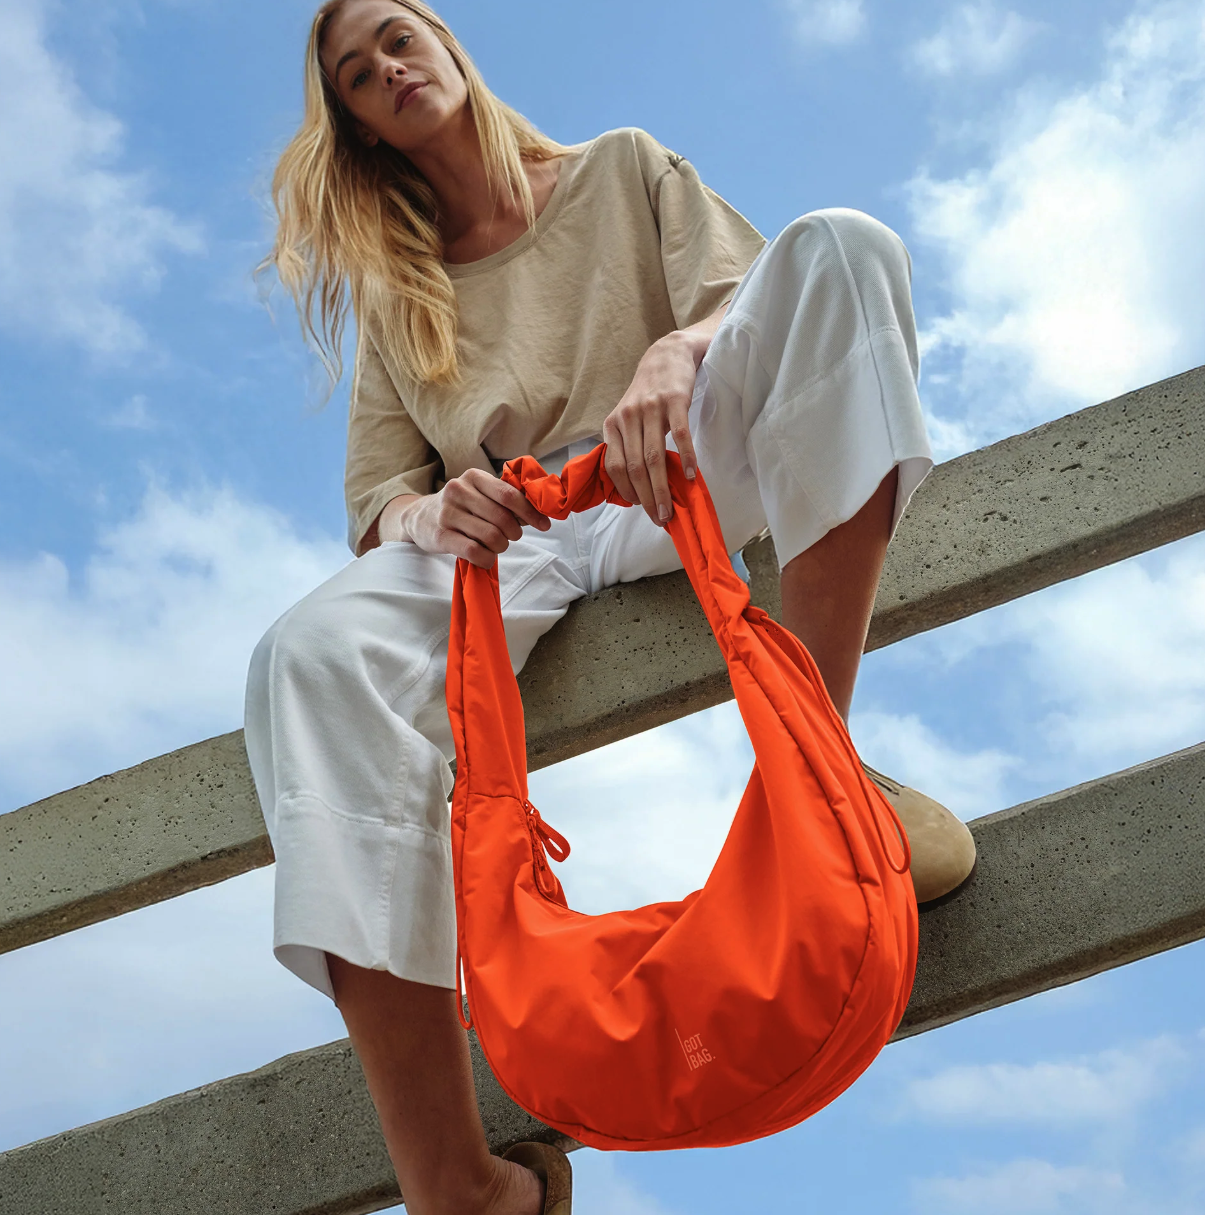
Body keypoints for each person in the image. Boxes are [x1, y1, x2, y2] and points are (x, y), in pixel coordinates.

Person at [246, 2, 977, 1211]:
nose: (384, 67)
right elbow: (380, 496)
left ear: (448, 50)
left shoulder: (620, 167)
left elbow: (754, 302)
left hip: (673, 464)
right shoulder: (397, 290)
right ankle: (455, 1186)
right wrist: (437, 514)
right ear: (357, 125)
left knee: (844, 245)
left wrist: (673, 357)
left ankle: (824, 794)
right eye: (354, 74)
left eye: (395, 38)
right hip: (519, 536)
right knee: (305, 657)